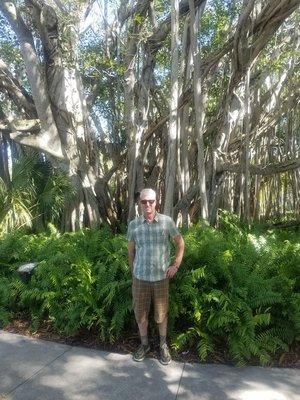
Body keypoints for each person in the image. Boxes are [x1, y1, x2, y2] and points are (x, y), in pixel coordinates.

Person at [127, 188, 185, 365]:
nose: (147, 205)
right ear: (139, 203)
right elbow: (131, 250)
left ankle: (162, 345)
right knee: (140, 314)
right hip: (140, 278)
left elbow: (181, 244)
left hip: (161, 278)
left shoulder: (166, 222)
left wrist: (175, 265)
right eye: (144, 202)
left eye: (150, 201)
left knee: (161, 314)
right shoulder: (133, 225)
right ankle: (144, 345)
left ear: (156, 202)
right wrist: (133, 270)